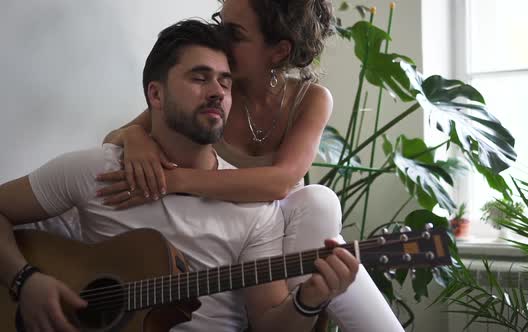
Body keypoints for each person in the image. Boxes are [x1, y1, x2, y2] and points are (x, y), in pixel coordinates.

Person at [0, 19, 359, 332]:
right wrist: (24, 279)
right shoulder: (98, 172)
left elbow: (271, 325)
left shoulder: (255, 212)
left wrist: (309, 300)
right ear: (155, 94)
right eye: (200, 78)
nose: (218, 92)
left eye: (225, 82)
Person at [97, 1, 405, 331]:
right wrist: (133, 137)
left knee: (318, 203)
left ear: (277, 51)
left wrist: (174, 181)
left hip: (290, 248)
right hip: (232, 248)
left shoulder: (310, 98)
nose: (218, 37)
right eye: (220, 23)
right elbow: (111, 141)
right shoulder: (213, 96)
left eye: (234, 33)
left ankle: (293, 308)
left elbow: (280, 183)